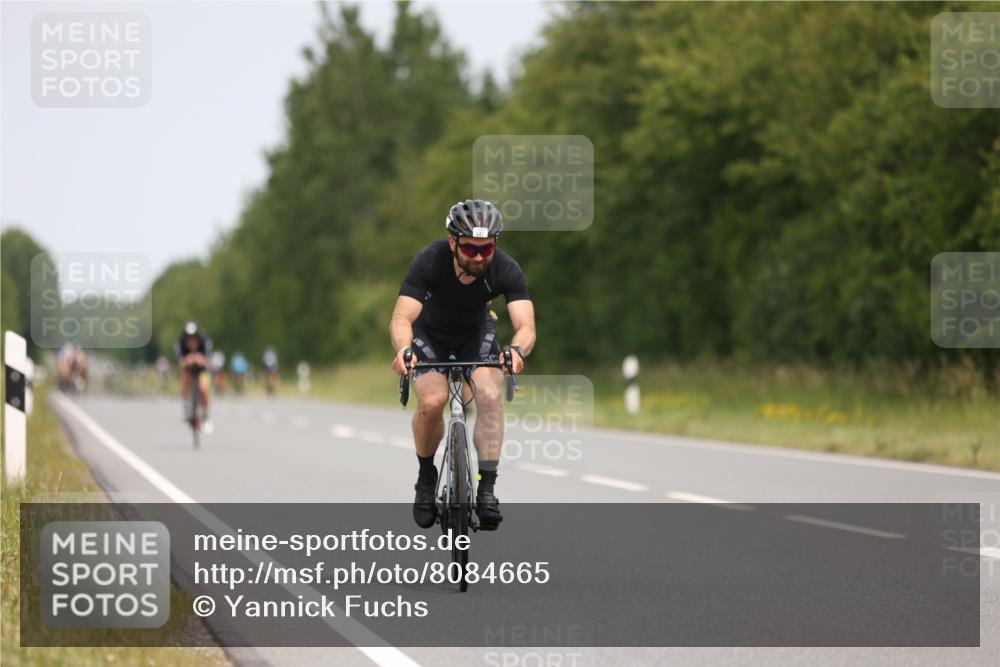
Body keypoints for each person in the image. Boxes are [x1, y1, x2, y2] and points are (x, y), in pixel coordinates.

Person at [390, 199, 536, 530]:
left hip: (475, 332)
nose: (479, 257)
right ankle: (426, 478)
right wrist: (403, 349)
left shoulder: (505, 267)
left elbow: (526, 325)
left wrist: (517, 350)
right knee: (432, 400)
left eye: (487, 249)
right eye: (471, 249)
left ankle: (487, 489)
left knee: (487, 392)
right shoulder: (431, 259)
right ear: (453, 242)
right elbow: (402, 316)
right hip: (430, 334)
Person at [174, 321, 213, 434]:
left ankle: (206, 416)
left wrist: (200, 359)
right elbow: (180, 362)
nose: (191, 341)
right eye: (189, 339)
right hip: (188, 368)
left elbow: (208, 360)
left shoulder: (206, 342)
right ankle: (186, 406)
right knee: (185, 377)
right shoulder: (180, 344)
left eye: (194, 338)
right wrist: (188, 360)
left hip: (202, 368)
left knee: (204, 388)